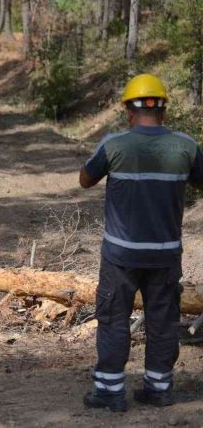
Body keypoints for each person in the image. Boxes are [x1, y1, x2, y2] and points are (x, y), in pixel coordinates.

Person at [79, 73, 203, 412]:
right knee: (162, 321)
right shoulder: (186, 146)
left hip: (120, 254)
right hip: (165, 255)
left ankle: (110, 391)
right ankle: (158, 389)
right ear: (164, 110)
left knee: (113, 318)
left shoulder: (114, 144)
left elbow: (85, 179)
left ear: (129, 112)